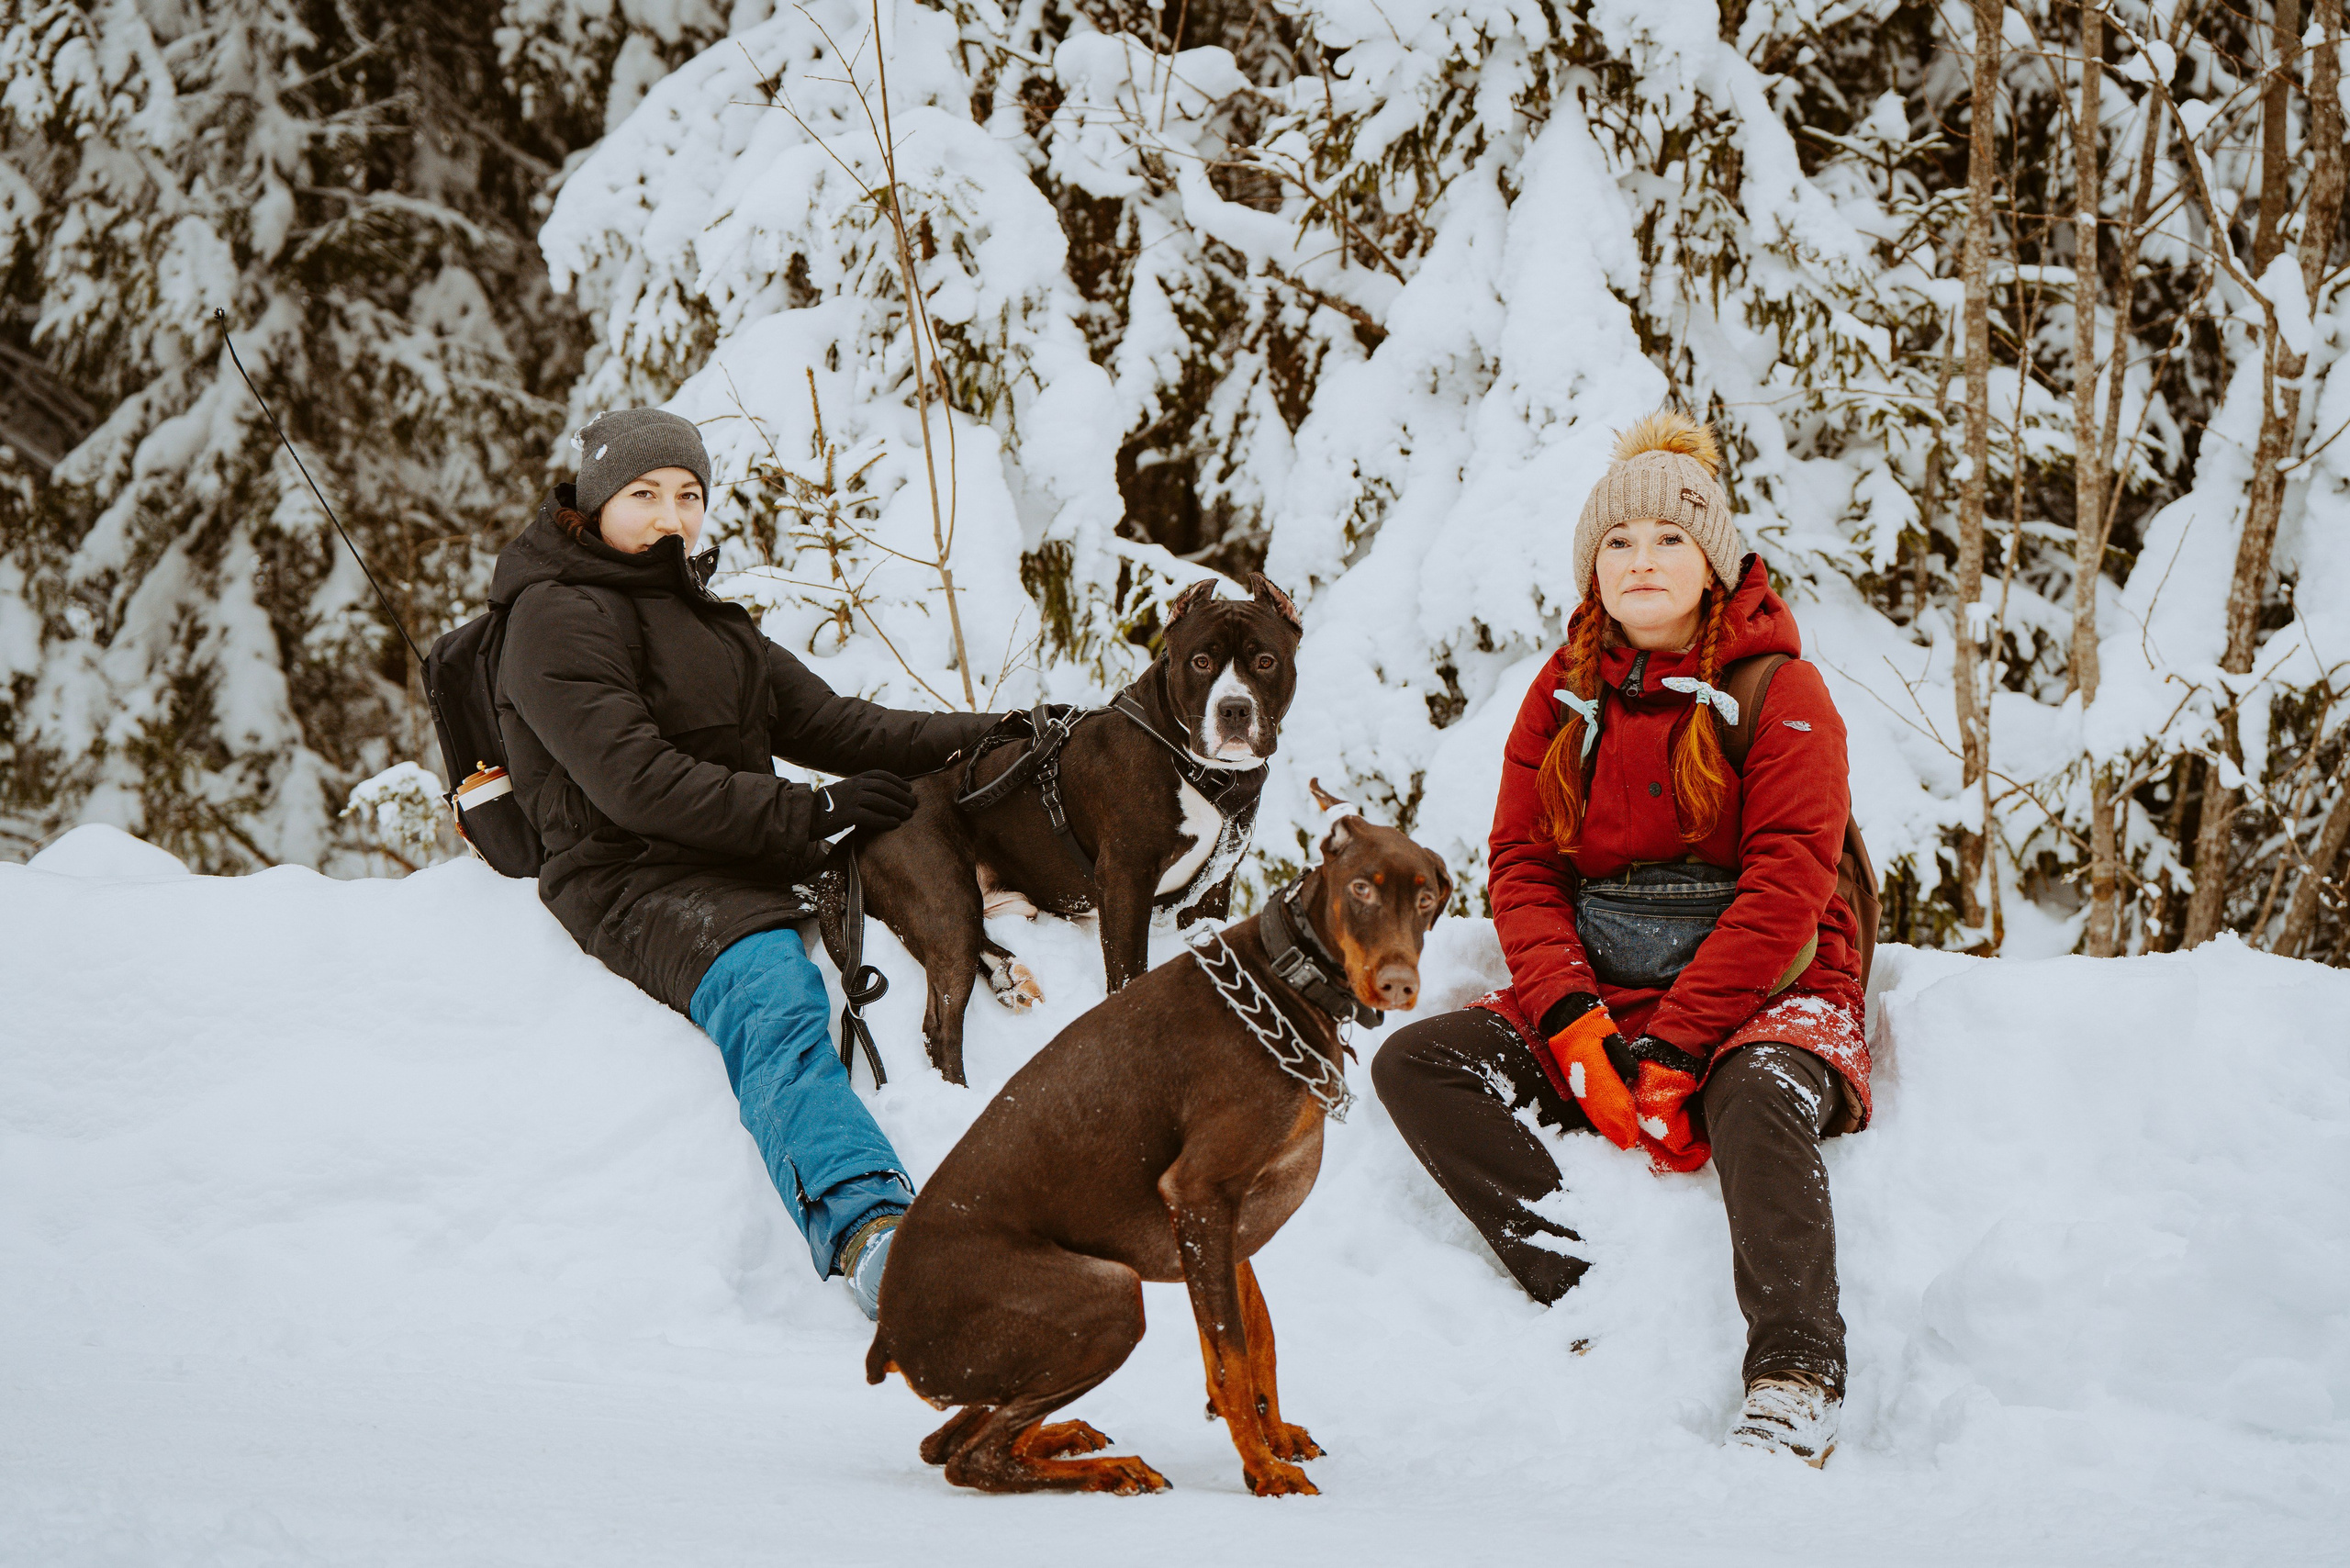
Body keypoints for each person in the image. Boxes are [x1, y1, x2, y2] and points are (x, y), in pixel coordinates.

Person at [1371, 409, 1871, 1466]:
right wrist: (1570, 1020)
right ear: (1592, 568)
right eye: (1618, 541)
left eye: (1668, 539)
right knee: (1418, 1064)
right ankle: (1590, 1283)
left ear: (1713, 560)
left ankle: (1795, 1371)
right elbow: (1522, 864)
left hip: (1767, 984)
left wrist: (1678, 1045)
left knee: (1758, 1098)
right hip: (1605, 981)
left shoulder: (1781, 691)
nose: (1641, 559)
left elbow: (1789, 885)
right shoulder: (1560, 694)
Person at [488, 408, 995, 1317]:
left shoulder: (701, 614)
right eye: (644, 494)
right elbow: (637, 784)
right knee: (773, 994)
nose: (670, 516)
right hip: (634, 879)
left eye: (689, 495)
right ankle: (872, 1233)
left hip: (742, 851)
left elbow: (838, 726)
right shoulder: (553, 616)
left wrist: (1001, 733)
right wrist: (812, 810)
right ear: (596, 502)